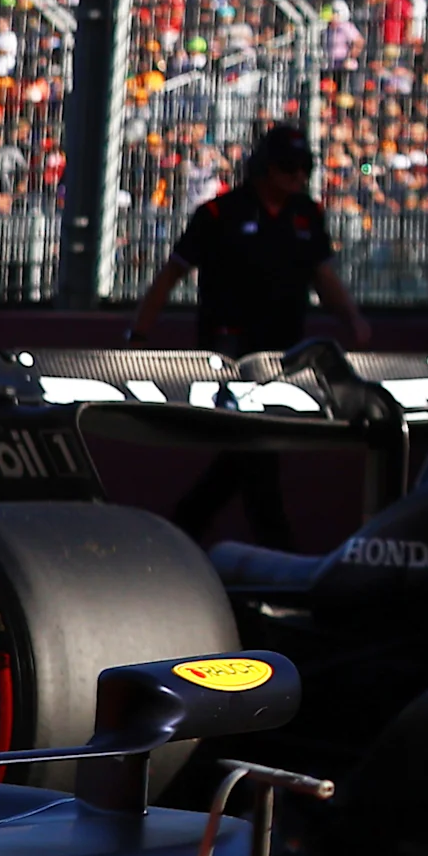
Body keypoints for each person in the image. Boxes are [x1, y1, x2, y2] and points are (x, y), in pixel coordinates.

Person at [125, 122, 370, 548]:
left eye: (304, 167)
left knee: (254, 446)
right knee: (255, 443)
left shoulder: (305, 215)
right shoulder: (220, 214)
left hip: (286, 351)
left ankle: (185, 529)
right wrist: (140, 333)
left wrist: (351, 317)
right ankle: (275, 548)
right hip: (230, 349)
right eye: (288, 167)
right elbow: (171, 274)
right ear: (265, 168)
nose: (297, 176)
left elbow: (322, 274)